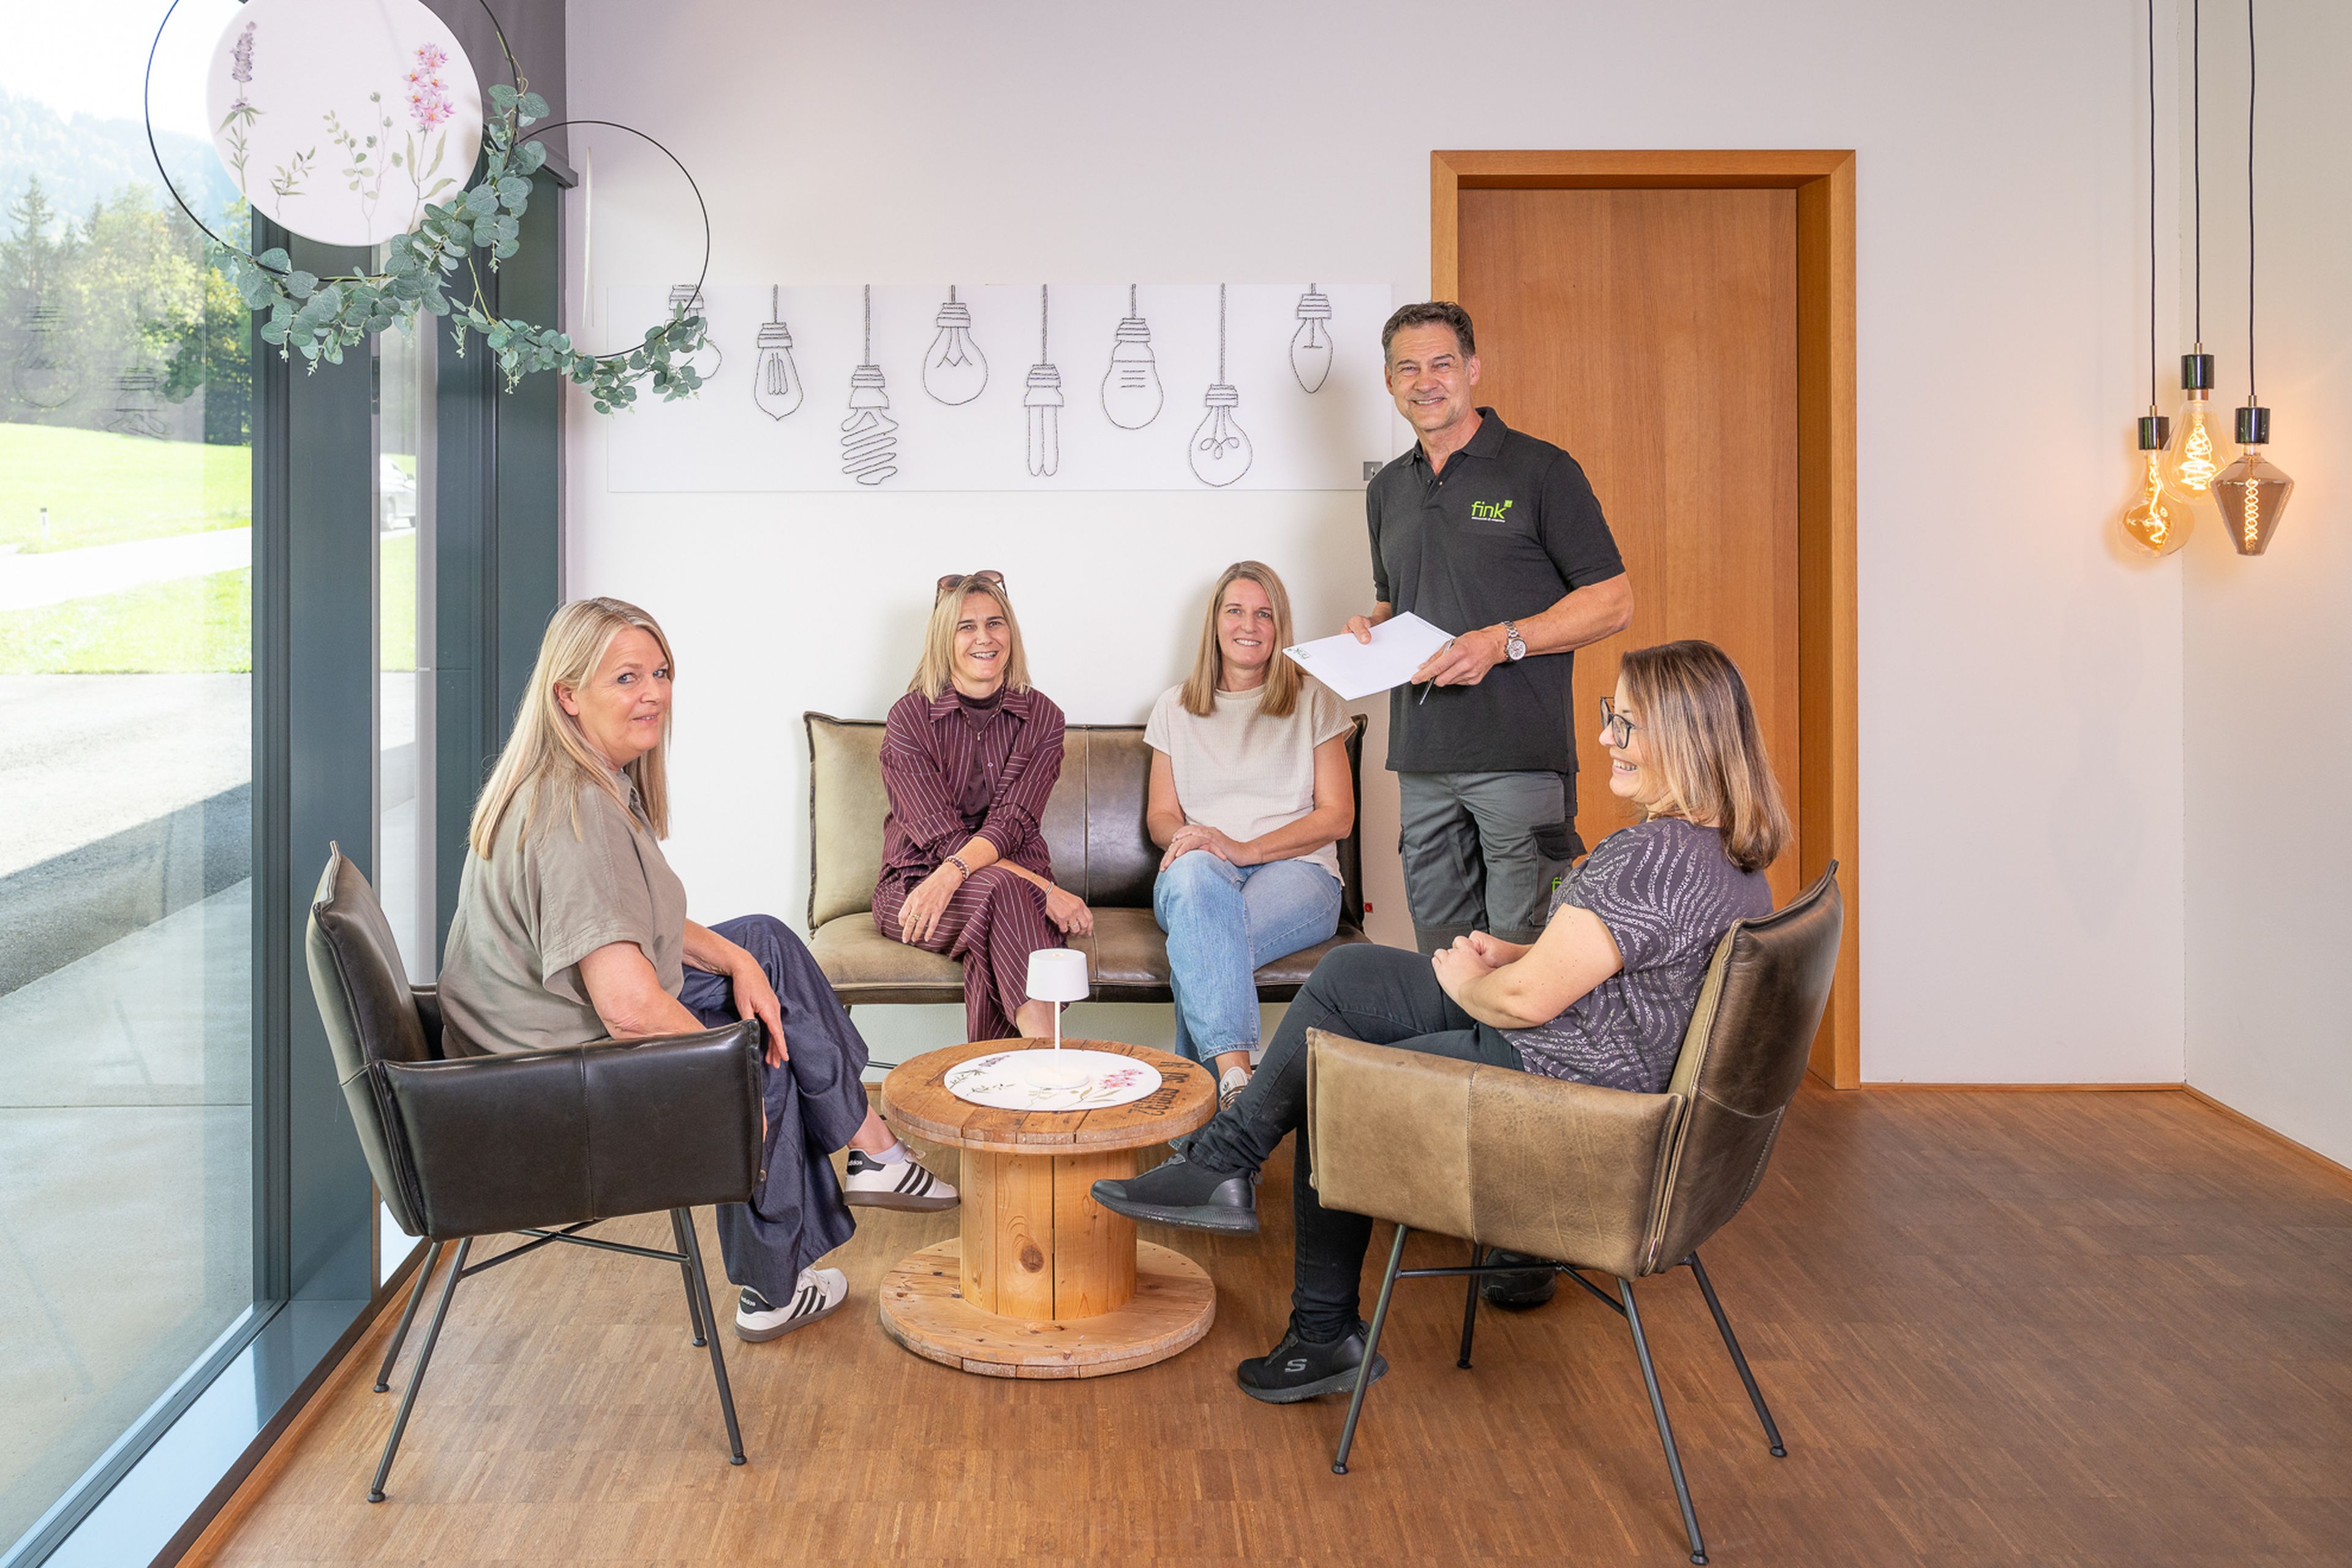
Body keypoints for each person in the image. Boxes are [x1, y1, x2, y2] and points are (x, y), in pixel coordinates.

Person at [1094, 640, 1786, 1402]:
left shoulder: (1651, 856)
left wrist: (1475, 980)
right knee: (1348, 974)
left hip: (1561, 1092)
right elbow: (1636, 968)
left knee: (1338, 1079)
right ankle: (1227, 1159)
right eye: (1608, 717)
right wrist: (1526, 951)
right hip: (1589, 1062)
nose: (1604, 739)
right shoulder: (1724, 858)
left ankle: (1320, 1335)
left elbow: (1528, 1004)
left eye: (1624, 723)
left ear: (1686, 736)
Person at [437, 598, 957, 1344]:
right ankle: (776, 1286)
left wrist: (738, 957)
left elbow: (631, 920)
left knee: (767, 944)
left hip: (548, 1038)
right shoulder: (573, 817)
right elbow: (629, 1008)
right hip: (542, 1090)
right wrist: (733, 1079)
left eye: (660, 672)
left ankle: (870, 1146)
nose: (653, 692)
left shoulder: (589, 781)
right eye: (626, 677)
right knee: (763, 1056)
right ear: (568, 694)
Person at [1348, 301, 1634, 956]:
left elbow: (1614, 601)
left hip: (1520, 760)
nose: (1427, 381)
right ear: (1389, 382)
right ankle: (1455, 1065)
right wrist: (1371, 629)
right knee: (1446, 961)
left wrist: (1502, 642)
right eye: (1408, 368)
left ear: (1473, 368)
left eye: (1442, 363)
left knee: (1526, 956)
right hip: (1422, 761)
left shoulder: (1541, 471)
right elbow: (1399, 603)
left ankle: (1519, 1068)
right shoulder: (1386, 491)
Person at [1147, 561, 1355, 1110]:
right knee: (1195, 887)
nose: (1249, 625)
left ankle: (1200, 1137)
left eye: (1264, 614)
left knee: (1199, 946)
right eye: (1235, 610)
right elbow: (1161, 816)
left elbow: (1337, 817)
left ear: (1280, 626)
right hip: (1202, 874)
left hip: (1301, 875)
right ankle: (1241, 1093)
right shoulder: (1173, 706)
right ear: (1215, 622)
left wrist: (1246, 849)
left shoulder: (1315, 700)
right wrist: (1194, 839)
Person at [875, 571, 1091, 1043]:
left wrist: (960, 873)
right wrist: (1044, 889)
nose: (984, 638)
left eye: (995, 623)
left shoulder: (1044, 718)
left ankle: (1002, 1089)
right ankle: (1045, 1054)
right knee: (1006, 895)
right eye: (966, 627)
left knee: (996, 908)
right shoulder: (909, 719)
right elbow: (940, 837)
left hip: (992, 890)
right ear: (943, 639)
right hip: (917, 888)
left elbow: (1013, 822)